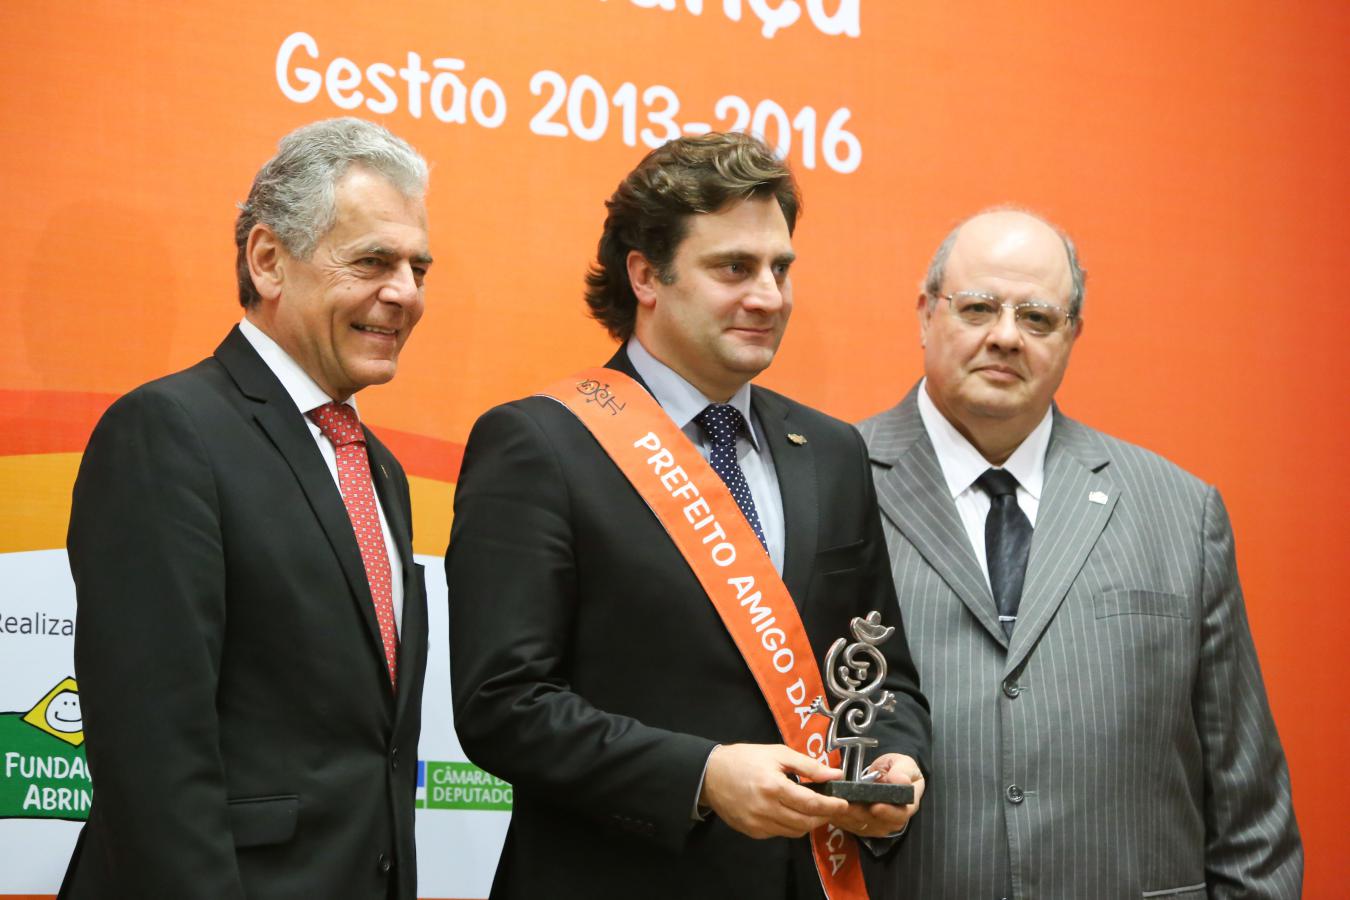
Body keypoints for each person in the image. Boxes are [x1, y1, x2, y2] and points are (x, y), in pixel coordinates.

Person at [447, 133, 931, 900]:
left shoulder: (832, 452)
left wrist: (894, 759)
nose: (769, 297)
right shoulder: (540, 444)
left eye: (780, 268)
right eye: (734, 268)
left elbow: (879, 671)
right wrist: (701, 776)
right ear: (646, 275)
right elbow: (503, 706)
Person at [858, 208, 1302, 899]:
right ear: (925, 314)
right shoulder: (829, 483)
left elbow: (1250, 810)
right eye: (977, 307)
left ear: (1072, 335)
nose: (1006, 336)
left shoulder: (1180, 512)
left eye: (1037, 317)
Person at [60, 117, 433, 900]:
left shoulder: (382, 471)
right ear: (268, 260)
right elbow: (153, 756)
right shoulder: (168, 431)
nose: (405, 292)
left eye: (417, 268)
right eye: (373, 261)